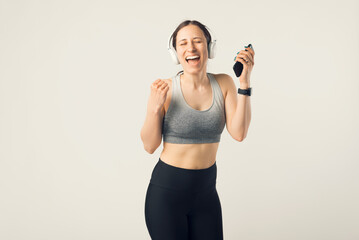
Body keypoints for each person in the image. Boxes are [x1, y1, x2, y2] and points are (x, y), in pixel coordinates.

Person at [140, 19, 255, 240]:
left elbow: (239, 133)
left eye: (197, 41)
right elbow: (149, 145)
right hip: (166, 197)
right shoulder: (165, 89)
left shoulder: (224, 84)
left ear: (209, 47)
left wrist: (244, 83)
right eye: (182, 43)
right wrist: (154, 109)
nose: (191, 48)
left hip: (206, 196)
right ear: (175, 53)